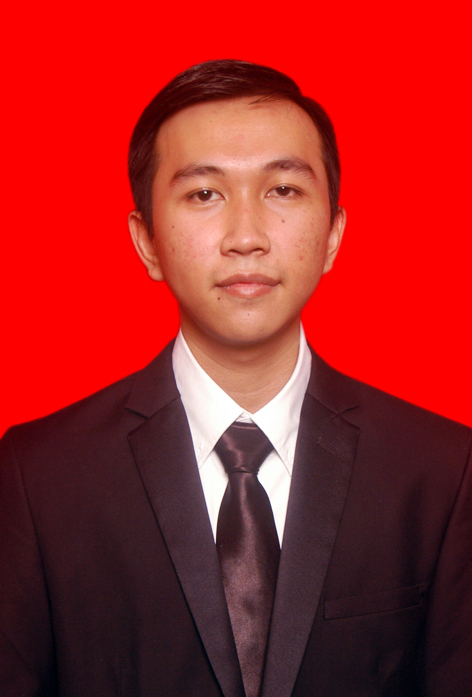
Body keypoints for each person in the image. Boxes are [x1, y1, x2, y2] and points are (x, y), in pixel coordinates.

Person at [0, 59, 471, 697]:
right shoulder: (37, 475)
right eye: (204, 194)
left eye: (283, 190)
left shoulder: (441, 470)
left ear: (334, 233)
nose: (246, 238)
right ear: (146, 241)